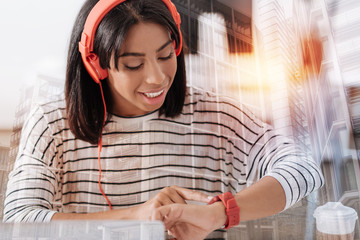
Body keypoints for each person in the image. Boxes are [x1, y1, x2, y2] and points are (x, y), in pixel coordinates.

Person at [3, 0, 324, 239]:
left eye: (165, 55)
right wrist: (139, 216)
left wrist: (219, 213)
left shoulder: (216, 116)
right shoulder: (51, 122)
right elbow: (20, 221)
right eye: (133, 64)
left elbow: (302, 167)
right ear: (95, 64)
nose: (157, 78)